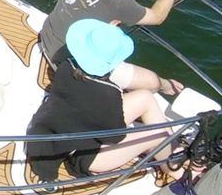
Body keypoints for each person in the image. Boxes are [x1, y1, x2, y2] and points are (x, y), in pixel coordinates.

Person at [26, 19, 179, 181]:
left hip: (62, 133)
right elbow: (114, 136)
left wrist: (107, 36)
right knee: (158, 135)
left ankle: (173, 148)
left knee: (145, 97)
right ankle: (172, 167)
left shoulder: (66, 65)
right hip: (84, 155)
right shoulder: (108, 94)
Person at [37, 0, 189, 96]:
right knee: (152, 82)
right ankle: (164, 86)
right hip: (64, 62)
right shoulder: (117, 3)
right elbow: (157, 17)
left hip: (47, 37)